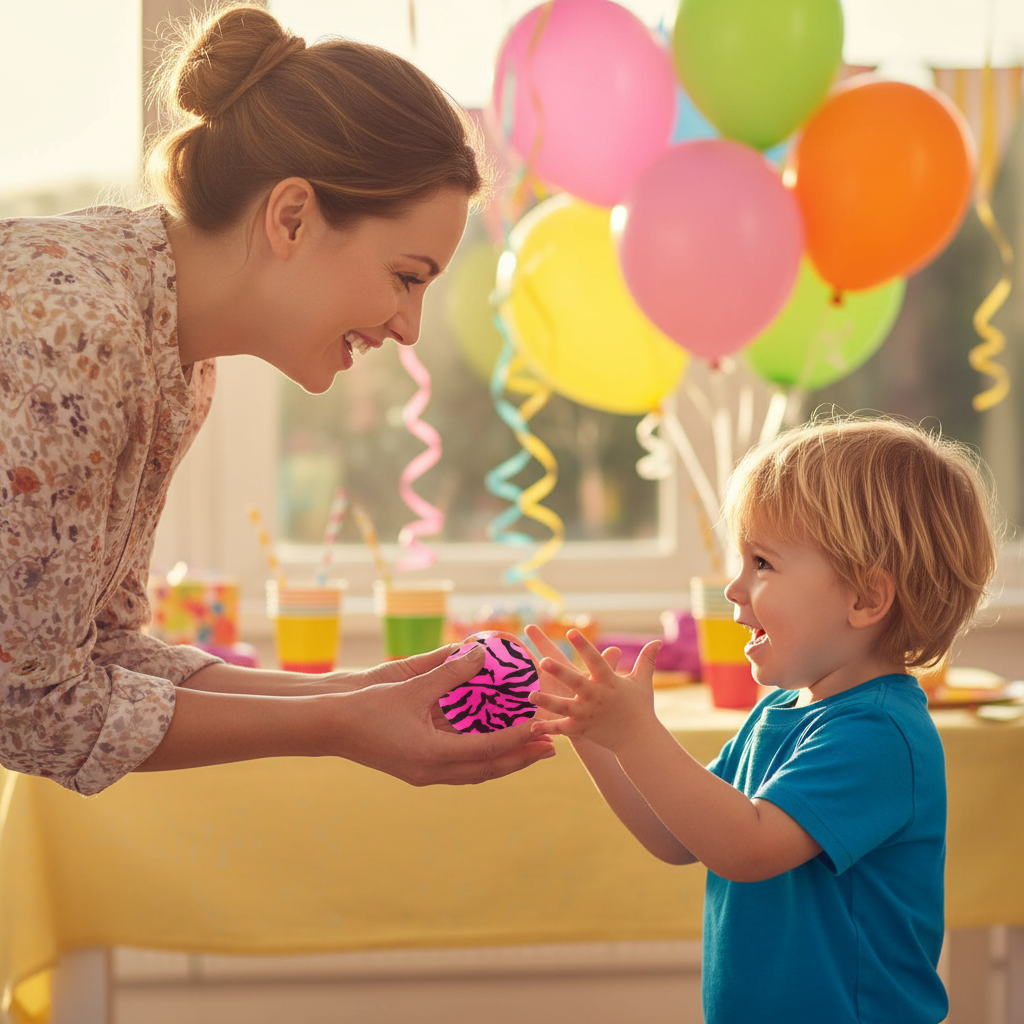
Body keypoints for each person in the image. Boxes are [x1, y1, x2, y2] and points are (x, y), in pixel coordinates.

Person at [0, 3, 555, 797]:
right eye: (407, 276)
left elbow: (103, 654)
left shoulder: (175, 366)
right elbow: (27, 708)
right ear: (292, 216)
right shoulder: (76, 329)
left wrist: (358, 693)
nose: (409, 327)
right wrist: (339, 725)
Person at [527, 417, 999, 1024]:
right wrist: (593, 730)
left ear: (864, 599)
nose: (733, 588)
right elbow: (676, 834)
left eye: (762, 564)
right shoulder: (781, 711)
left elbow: (744, 847)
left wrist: (635, 732)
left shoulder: (880, 736)